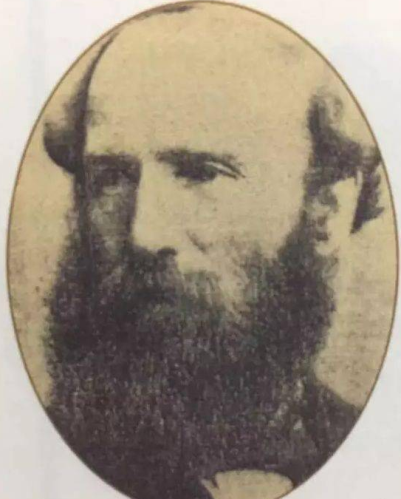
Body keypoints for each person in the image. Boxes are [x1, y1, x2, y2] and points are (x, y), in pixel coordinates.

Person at [42, 4, 383, 499]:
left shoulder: (376, 454)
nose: (143, 234)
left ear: (327, 208)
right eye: (111, 178)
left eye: (201, 173)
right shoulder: (38, 456)